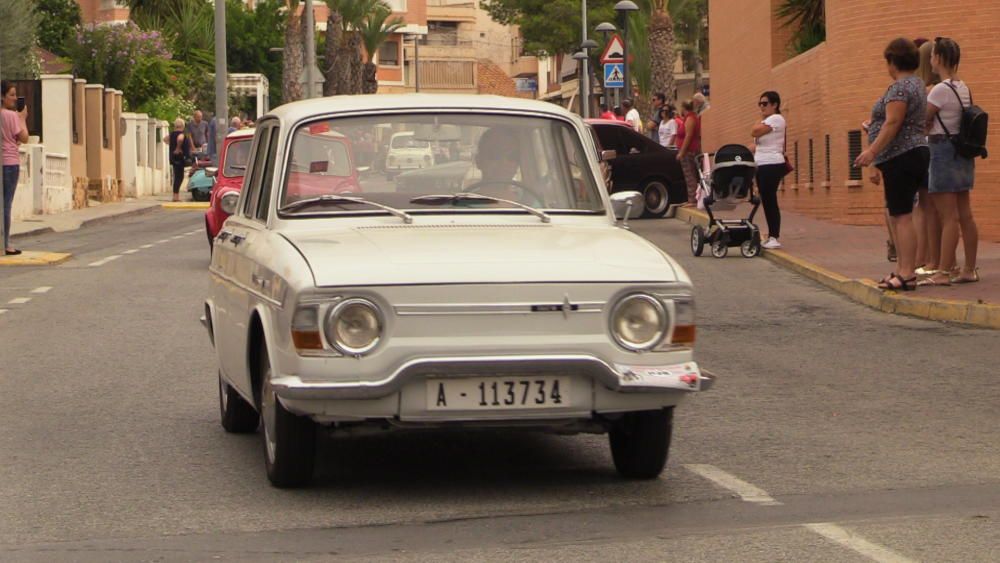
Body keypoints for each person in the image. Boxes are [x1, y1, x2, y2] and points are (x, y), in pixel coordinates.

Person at [854, 38, 929, 291]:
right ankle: (902, 270)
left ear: (893, 61)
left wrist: (871, 151)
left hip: (902, 156)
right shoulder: (917, 84)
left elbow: (893, 122)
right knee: (900, 214)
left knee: (901, 215)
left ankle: (907, 273)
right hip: (913, 153)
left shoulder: (900, 88)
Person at [921, 37, 979, 286]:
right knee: (965, 214)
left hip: (942, 151)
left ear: (939, 58)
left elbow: (922, 120)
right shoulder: (963, 87)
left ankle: (943, 271)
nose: (931, 59)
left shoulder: (940, 89)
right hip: (962, 152)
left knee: (948, 216)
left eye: (933, 54)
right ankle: (969, 268)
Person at [911, 38, 942, 273]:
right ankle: (926, 257)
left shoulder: (927, 91)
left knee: (926, 208)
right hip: (933, 149)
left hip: (925, 150)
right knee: (928, 207)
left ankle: (926, 258)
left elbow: (920, 123)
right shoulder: (938, 89)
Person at [751, 91, 787, 249]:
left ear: (775, 105)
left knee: (770, 200)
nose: (762, 107)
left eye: (765, 104)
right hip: (762, 164)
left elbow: (755, 131)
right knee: (766, 200)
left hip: (771, 164)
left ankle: (774, 237)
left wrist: (758, 123)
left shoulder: (776, 119)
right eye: (760, 104)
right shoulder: (766, 121)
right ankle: (772, 235)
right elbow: (757, 144)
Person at [1, 81, 28, 255]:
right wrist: (22, 118)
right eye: (11, 94)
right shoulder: (11, 116)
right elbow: (24, 137)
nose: (14, 98)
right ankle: (6, 244)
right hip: (10, 163)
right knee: (6, 205)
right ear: (2, 97)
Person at [675, 99, 701, 206]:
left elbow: (688, 136)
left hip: (689, 151)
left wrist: (682, 152)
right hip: (689, 150)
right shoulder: (688, 118)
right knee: (689, 174)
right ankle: (691, 198)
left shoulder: (690, 118)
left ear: (683, 108)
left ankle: (693, 199)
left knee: (690, 174)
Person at [165, 118, 193, 202]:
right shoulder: (181, 134)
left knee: (177, 176)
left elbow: (165, 139)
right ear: (182, 126)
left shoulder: (172, 134)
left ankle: (175, 196)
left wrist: (172, 144)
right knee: (179, 177)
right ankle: (175, 197)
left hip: (173, 157)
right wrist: (178, 148)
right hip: (179, 157)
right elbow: (180, 139)